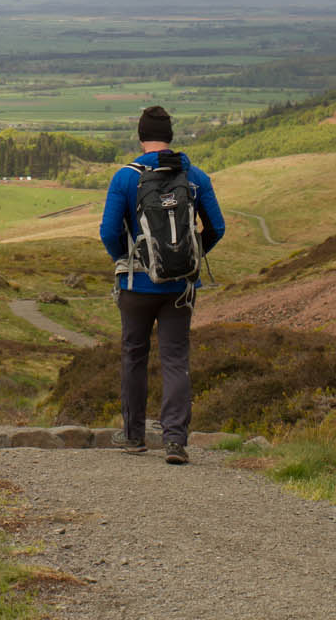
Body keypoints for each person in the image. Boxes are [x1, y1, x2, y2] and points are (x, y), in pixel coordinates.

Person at [99, 105, 224, 465]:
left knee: (134, 355)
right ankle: (174, 441)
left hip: (136, 284)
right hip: (180, 289)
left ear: (140, 136)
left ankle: (134, 436)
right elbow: (217, 227)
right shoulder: (195, 175)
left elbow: (109, 231)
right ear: (170, 135)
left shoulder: (125, 177)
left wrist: (124, 262)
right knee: (174, 358)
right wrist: (191, 260)